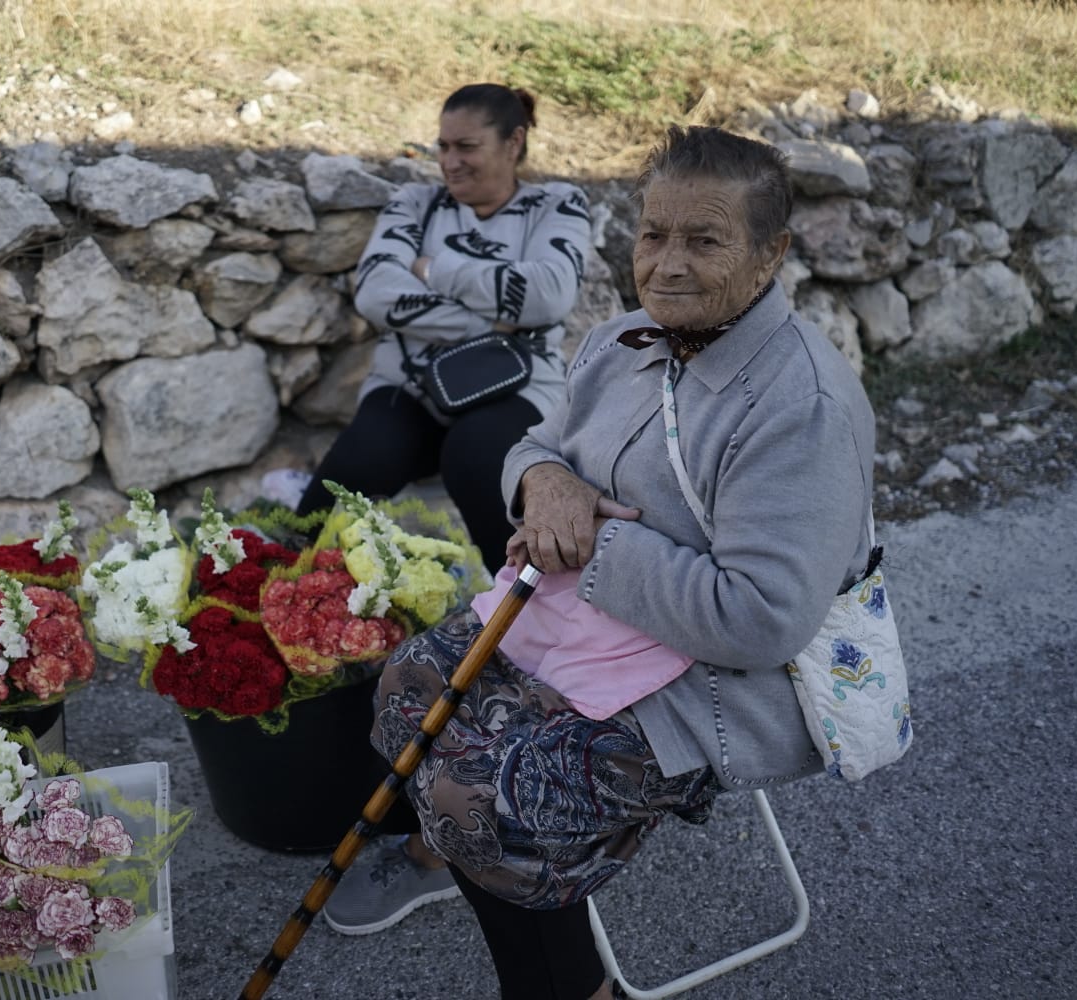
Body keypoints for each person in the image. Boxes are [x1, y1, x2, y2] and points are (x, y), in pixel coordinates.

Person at [324, 126, 877, 1000]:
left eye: (705, 240)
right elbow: (540, 444)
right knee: (404, 690)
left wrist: (599, 541)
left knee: (491, 801)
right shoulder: (624, 340)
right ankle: (446, 848)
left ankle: (573, 981)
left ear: (771, 256)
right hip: (586, 620)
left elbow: (764, 619)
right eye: (653, 234)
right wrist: (544, 482)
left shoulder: (798, 405)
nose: (666, 264)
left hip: (717, 677)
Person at [295, 82, 594, 572]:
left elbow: (550, 292)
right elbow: (375, 292)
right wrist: (498, 320)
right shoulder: (416, 203)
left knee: (478, 456)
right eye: (444, 146)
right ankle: (276, 591)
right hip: (410, 385)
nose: (450, 161)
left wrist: (433, 269)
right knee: (355, 468)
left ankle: (519, 618)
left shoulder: (556, 206)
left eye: (467, 147)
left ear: (513, 142)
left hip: (515, 384)